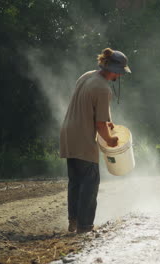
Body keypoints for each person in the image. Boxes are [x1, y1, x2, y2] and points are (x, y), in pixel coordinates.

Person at [60, 48, 131, 233]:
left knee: (75, 181)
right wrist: (111, 139)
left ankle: (73, 222)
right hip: (84, 137)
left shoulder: (87, 76)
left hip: (68, 133)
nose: (119, 76)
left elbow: (88, 108)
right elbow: (101, 126)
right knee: (90, 182)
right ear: (116, 71)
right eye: (120, 72)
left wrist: (106, 124)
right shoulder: (103, 89)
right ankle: (85, 226)